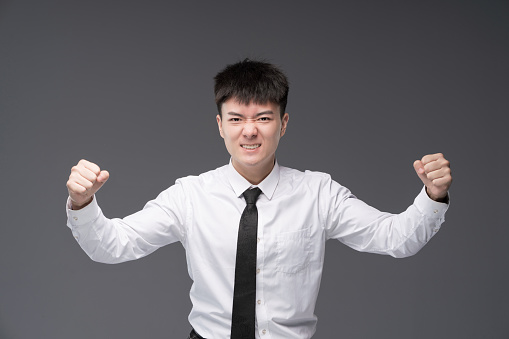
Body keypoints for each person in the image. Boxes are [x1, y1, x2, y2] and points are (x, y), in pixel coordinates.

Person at [65, 59, 452, 339]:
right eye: (236, 119)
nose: (249, 131)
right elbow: (113, 246)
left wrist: (433, 195)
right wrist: (83, 204)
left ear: (283, 124)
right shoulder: (190, 195)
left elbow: (396, 238)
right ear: (220, 126)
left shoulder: (318, 193)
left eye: (263, 118)